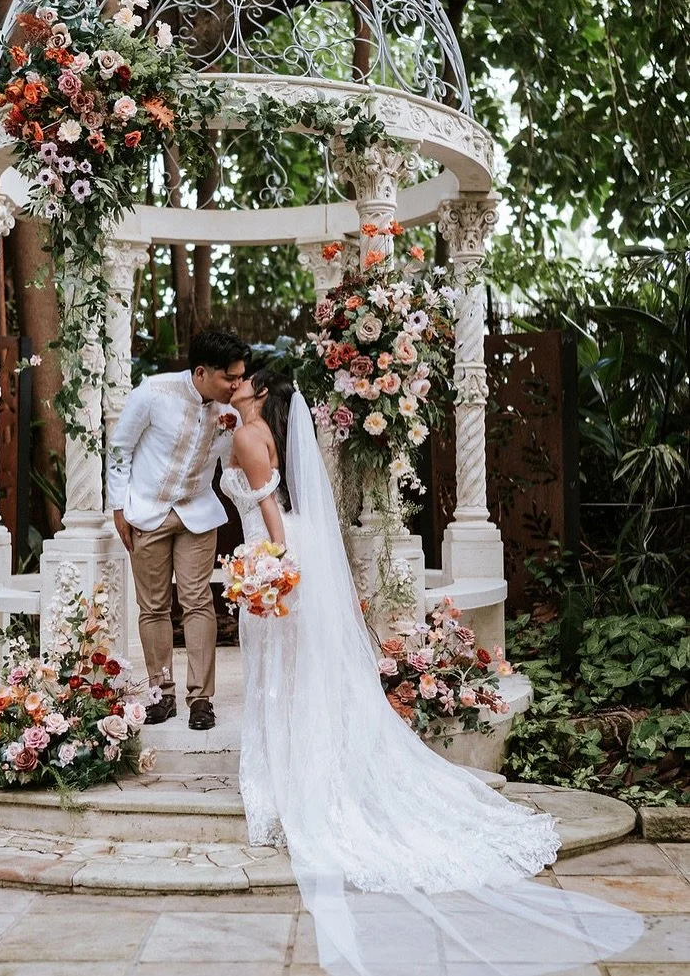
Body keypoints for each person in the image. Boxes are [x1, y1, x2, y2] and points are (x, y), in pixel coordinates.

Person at [221, 366, 644, 976]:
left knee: (283, 674)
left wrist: (273, 562)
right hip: (295, 544)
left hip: (277, 549)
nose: (236, 382)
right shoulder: (265, 429)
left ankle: (288, 782)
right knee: (300, 674)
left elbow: (267, 508)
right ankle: (301, 767)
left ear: (259, 393)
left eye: (245, 379)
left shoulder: (245, 436)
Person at [107, 329, 249, 731]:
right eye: (230, 378)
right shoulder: (152, 392)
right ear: (202, 372)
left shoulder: (230, 413)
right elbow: (120, 448)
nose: (237, 385)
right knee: (152, 606)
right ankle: (160, 693)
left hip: (198, 514)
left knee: (198, 601)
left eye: (241, 376)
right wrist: (119, 508)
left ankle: (201, 699)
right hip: (146, 512)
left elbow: (231, 466)